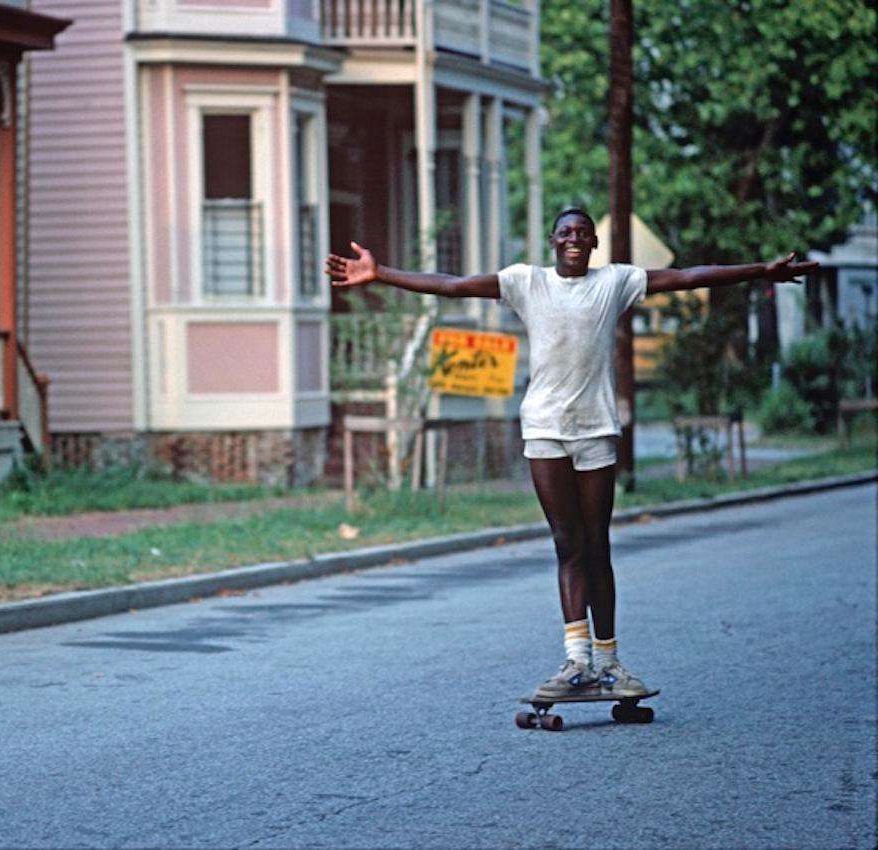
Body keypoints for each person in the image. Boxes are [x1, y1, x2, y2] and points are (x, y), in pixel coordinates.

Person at [325, 209, 817, 699]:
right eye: (566, 233)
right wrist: (381, 273)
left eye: (583, 233)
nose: (574, 240)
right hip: (544, 429)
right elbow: (453, 285)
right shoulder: (526, 282)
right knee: (567, 543)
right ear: (552, 241)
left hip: (596, 430)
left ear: (595, 242)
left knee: (597, 544)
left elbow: (688, 277)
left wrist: (762, 271)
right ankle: (576, 661)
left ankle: (610, 661)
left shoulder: (616, 282)